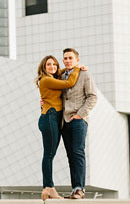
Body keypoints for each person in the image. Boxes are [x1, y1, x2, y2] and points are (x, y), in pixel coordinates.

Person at [36, 55, 81, 201]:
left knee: (50, 154)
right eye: (49, 65)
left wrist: (67, 68)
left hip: (53, 117)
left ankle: (48, 187)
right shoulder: (47, 79)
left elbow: (60, 73)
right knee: (48, 154)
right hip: (50, 117)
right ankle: (48, 187)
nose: (52, 67)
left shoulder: (51, 78)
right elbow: (69, 82)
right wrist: (77, 68)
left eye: (55, 65)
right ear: (44, 66)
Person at [59, 47, 97, 199]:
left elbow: (92, 97)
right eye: (65, 58)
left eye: (70, 58)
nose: (68, 60)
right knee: (70, 156)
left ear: (77, 60)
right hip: (64, 121)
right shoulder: (61, 76)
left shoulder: (85, 73)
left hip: (78, 120)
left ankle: (80, 189)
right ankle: (75, 189)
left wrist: (80, 115)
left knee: (77, 152)